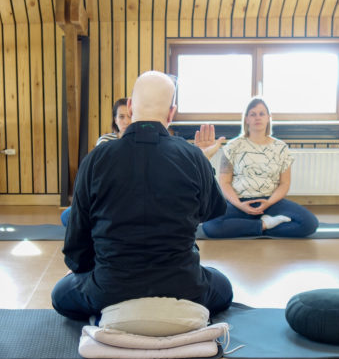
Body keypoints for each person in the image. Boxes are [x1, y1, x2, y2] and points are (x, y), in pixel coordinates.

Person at [51, 71, 233, 322]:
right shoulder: (192, 156)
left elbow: (76, 242)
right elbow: (212, 210)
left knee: (61, 294)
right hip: (184, 286)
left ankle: (112, 309)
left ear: (130, 106)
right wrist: (201, 160)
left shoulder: (97, 158)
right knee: (223, 286)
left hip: (110, 288)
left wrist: (92, 273)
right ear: (172, 112)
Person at [201, 97, 318, 238]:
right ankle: (265, 225)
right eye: (253, 114)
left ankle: (246, 226)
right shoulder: (232, 146)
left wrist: (268, 203)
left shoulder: (281, 148)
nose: (258, 117)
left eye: (262, 114)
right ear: (246, 119)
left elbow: (284, 183)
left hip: (271, 202)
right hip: (240, 201)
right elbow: (224, 182)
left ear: (268, 118)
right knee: (210, 226)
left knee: (309, 223)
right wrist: (239, 205)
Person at [60, 98, 131, 226]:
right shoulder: (105, 141)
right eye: (121, 117)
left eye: (130, 116)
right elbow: (98, 174)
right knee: (67, 216)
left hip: (126, 197)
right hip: (106, 194)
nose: (126, 121)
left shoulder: (138, 142)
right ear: (115, 120)